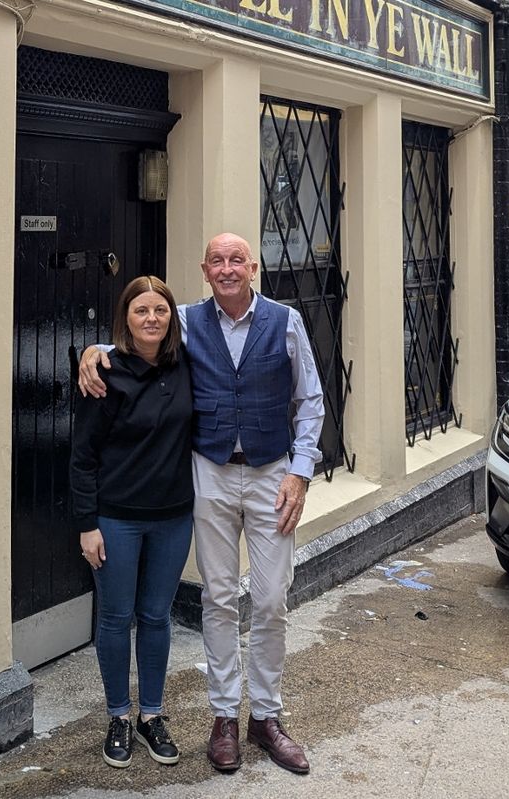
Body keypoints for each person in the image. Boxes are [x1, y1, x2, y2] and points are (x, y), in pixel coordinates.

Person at [79, 232, 324, 775]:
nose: (228, 268)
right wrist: (92, 352)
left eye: (238, 259)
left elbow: (310, 400)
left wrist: (301, 474)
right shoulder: (187, 320)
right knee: (217, 598)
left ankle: (265, 715)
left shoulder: (285, 322)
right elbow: (140, 335)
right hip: (209, 474)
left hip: (271, 475)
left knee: (269, 598)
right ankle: (223, 719)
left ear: (253, 268)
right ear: (205, 270)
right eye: (218, 260)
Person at [71, 275, 194, 769]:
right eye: (140, 311)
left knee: (157, 617)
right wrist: (87, 524)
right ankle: (119, 716)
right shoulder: (106, 373)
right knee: (116, 618)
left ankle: (151, 716)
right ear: (125, 317)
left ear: (171, 318)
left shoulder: (188, 365)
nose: (151, 319)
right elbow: (82, 457)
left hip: (172, 517)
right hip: (116, 519)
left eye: (160, 311)